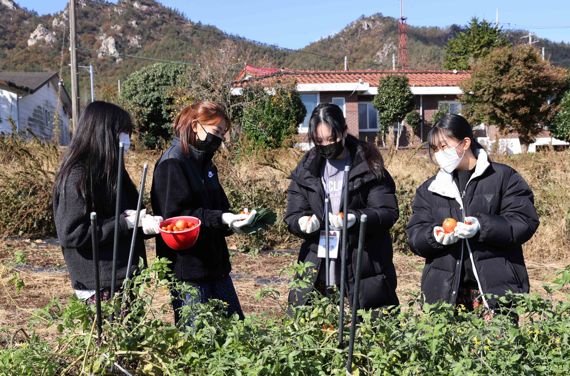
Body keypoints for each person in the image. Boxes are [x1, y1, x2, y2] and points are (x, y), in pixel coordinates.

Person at [406, 114, 539, 313]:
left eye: (444, 147)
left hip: (495, 288)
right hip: (446, 291)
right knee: (449, 343)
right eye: (434, 149)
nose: (439, 154)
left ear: (465, 143)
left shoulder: (503, 177)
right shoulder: (430, 189)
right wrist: (433, 236)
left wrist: (481, 226)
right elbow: (415, 235)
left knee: (497, 343)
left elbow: (523, 221)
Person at [285, 103, 399, 309]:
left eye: (332, 139)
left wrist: (355, 218)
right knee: (316, 328)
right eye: (319, 141)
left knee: (369, 329)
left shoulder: (368, 166)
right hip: (319, 265)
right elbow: (294, 212)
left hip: (363, 264)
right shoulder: (307, 169)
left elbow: (387, 212)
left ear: (344, 131)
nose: (326, 145)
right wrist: (302, 223)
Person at [151, 101, 253, 324]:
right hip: (188, 269)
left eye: (223, 134)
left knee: (234, 329)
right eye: (216, 131)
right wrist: (220, 218)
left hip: (215, 265)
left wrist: (232, 221)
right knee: (196, 335)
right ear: (196, 126)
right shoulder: (173, 163)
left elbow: (219, 207)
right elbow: (176, 218)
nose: (219, 139)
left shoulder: (205, 164)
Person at [53, 101, 162, 303]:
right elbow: (72, 233)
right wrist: (125, 222)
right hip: (100, 281)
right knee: (113, 334)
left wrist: (143, 225)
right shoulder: (78, 176)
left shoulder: (113, 171)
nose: (128, 140)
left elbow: (128, 215)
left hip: (124, 275)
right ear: (104, 133)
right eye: (123, 132)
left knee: (129, 333)